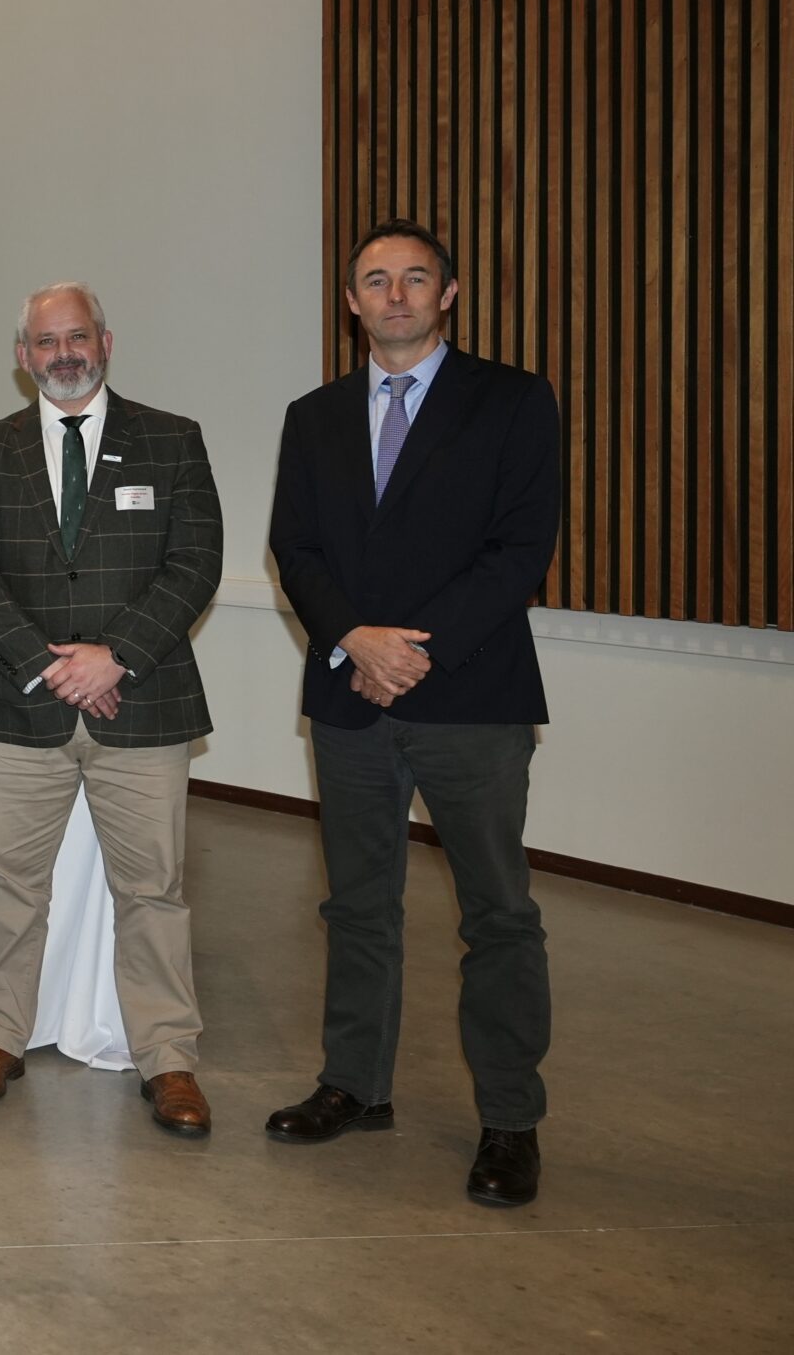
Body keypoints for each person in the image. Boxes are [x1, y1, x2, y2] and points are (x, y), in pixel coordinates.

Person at [265, 220, 561, 1208]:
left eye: (413, 279)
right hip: (350, 701)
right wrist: (357, 640)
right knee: (355, 908)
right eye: (374, 281)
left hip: (470, 697)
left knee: (497, 916)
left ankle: (510, 1118)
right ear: (350, 301)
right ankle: (355, 1084)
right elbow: (293, 549)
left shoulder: (513, 401)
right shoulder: (313, 417)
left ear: (449, 291)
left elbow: (518, 551)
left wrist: (406, 650)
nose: (393, 295)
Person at [0, 282, 223, 1137]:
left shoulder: (172, 441)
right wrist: (45, 664)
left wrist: (117, 656)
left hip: (143, 703)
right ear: (23, 357)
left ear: (107, 341)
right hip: (23, 706)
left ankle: (168, 1056)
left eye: (77, 337)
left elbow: (195, 561)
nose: (62, 353)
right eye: (44, 341)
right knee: (11, 884)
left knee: (154, 890)